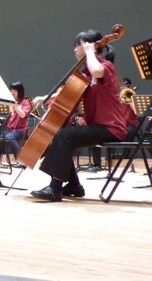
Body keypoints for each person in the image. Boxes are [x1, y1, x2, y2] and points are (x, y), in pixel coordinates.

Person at [29, 29, 127, 202]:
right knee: (63, 138)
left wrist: (90, 52)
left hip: (111, 127)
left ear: (90, 46)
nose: (75, 50)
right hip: (96, 126)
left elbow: (97, 71)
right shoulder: (85, 75)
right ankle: (74, 185)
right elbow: (69, 93)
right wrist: (45, 98)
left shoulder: (106, 67)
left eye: (78, 46)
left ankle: (55, 188)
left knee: (64, 136)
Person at [2, 81, 31, 164]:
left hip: (21, 130)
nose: (12, 93)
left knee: (10, 137)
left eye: (15, 91)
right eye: (11, 91)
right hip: (10, 129)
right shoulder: (9, 103)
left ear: (20, 91)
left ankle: (20, 160)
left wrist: (15, 104)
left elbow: (23, 115)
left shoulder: (25, 102)